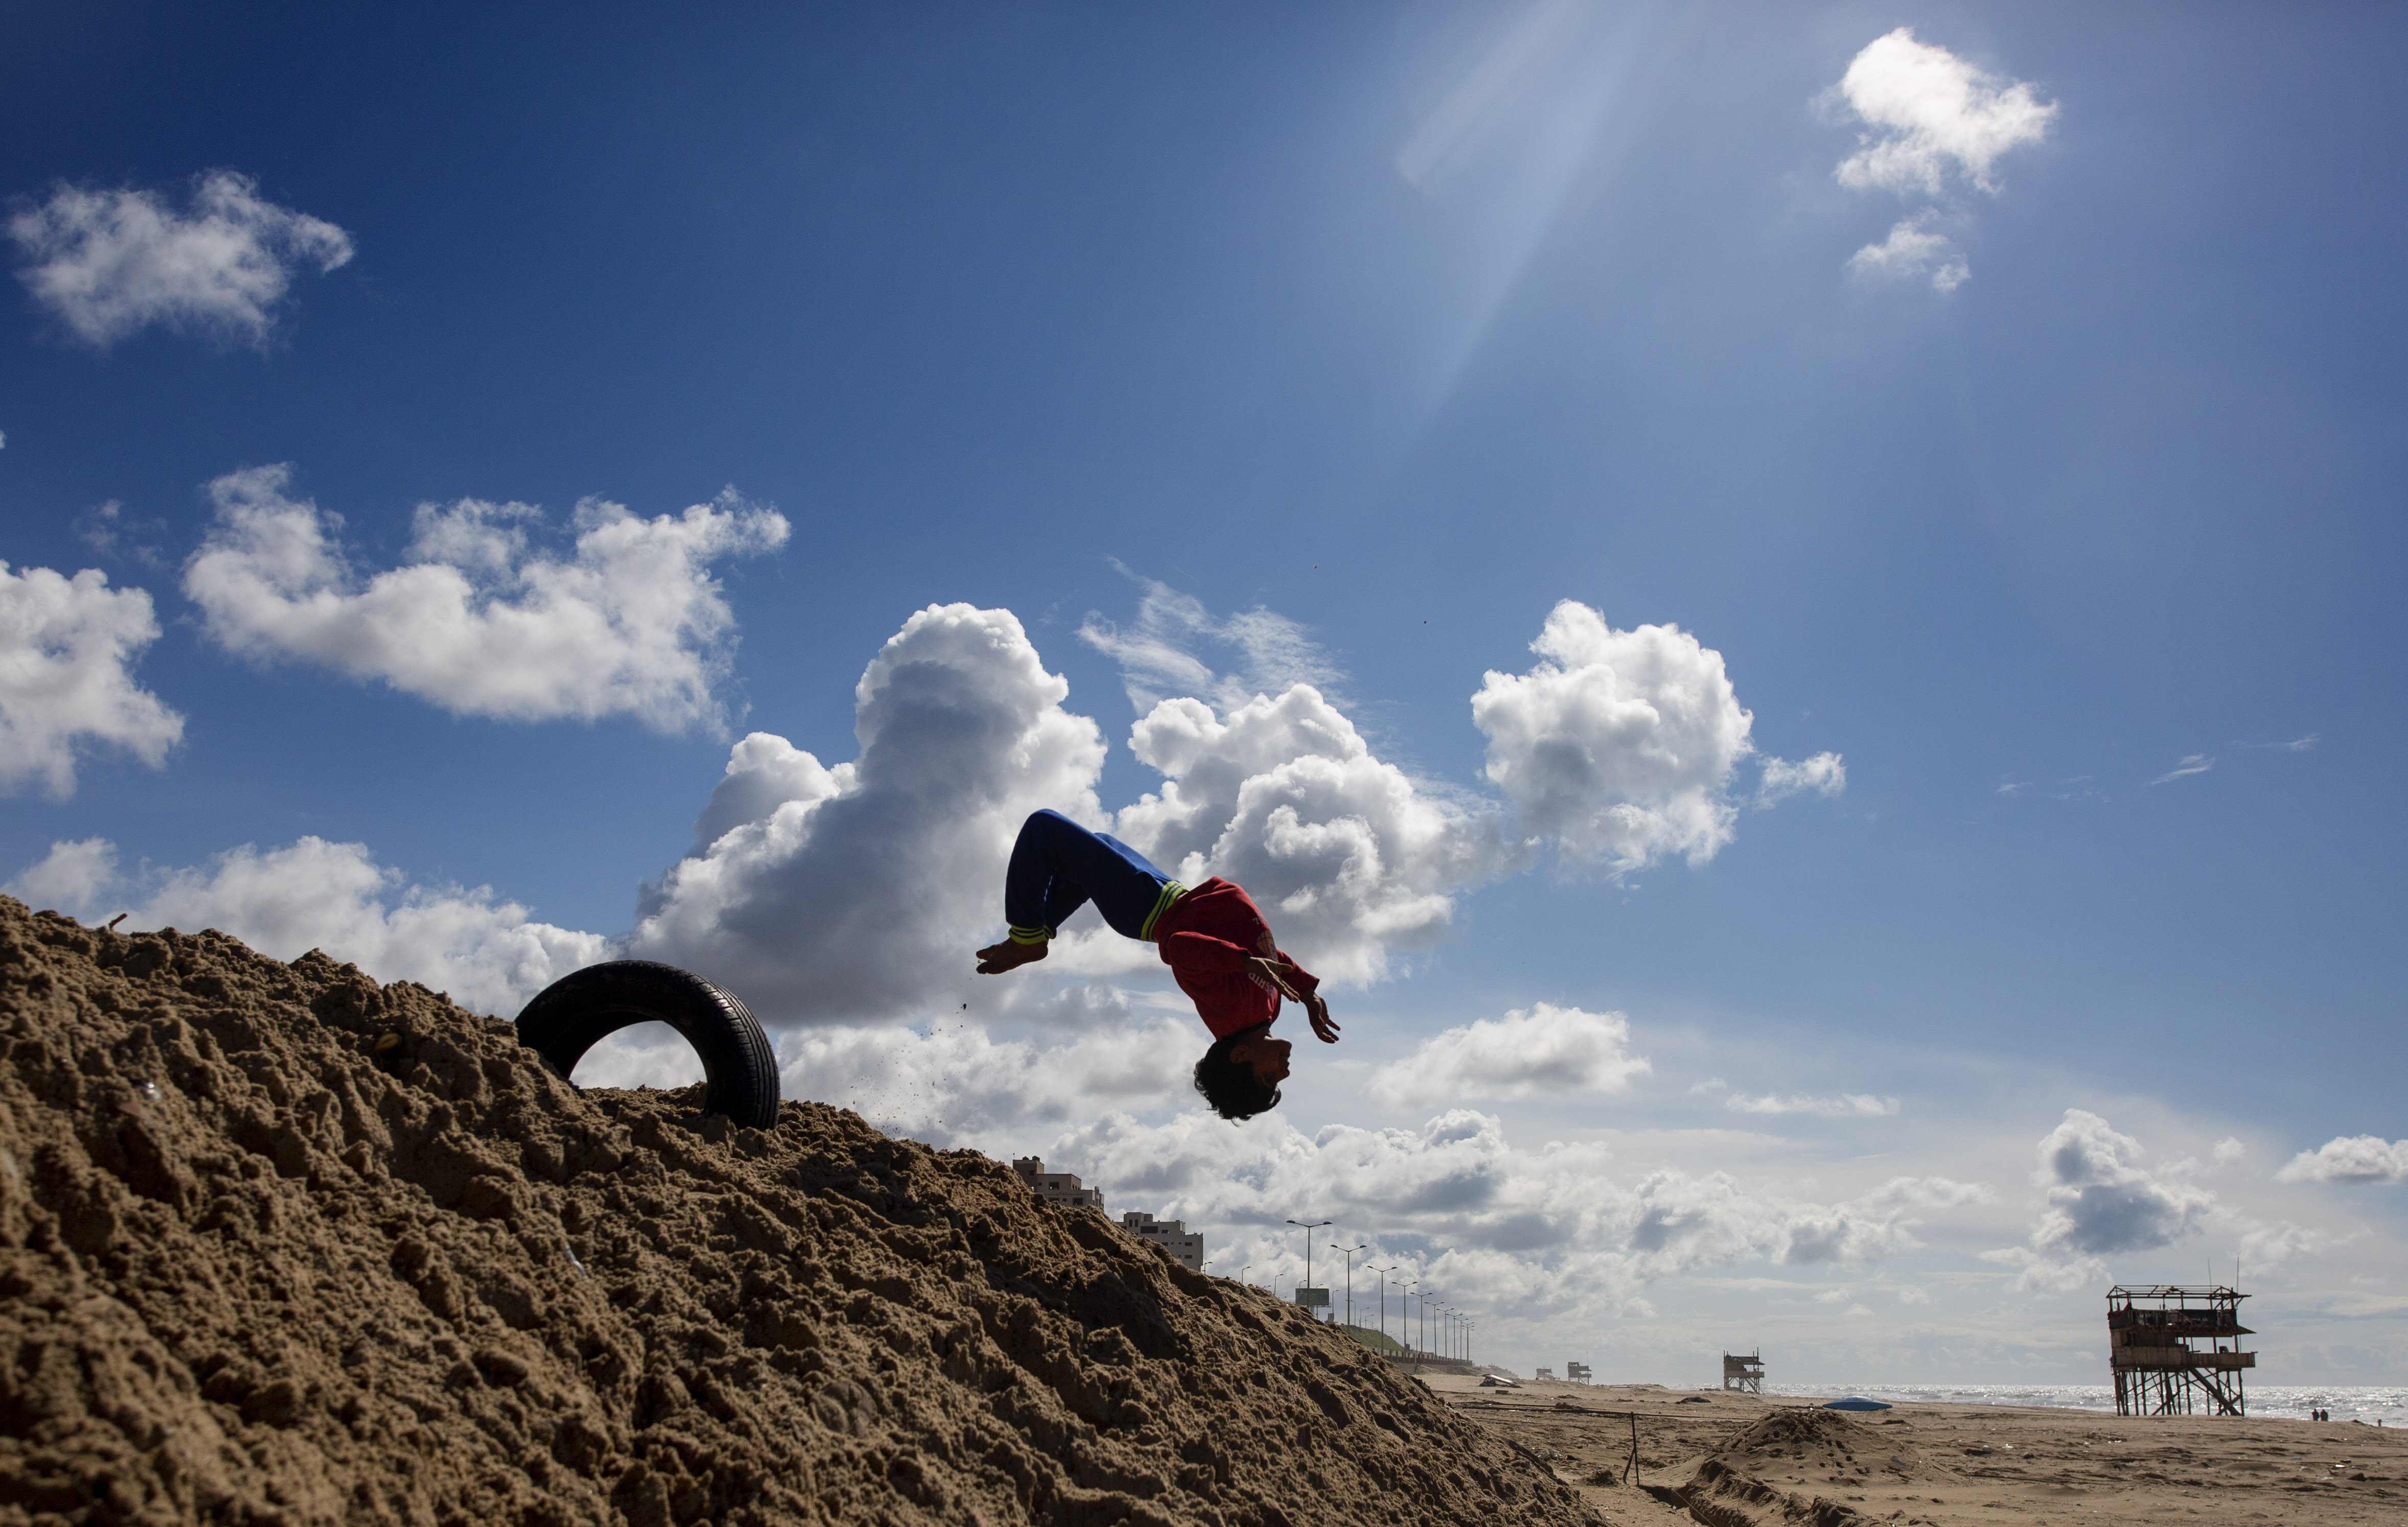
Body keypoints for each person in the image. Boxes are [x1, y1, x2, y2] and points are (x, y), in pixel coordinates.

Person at [975, 809, 1337, 1120]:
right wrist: (1307, 991)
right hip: (1171, 892)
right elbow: (1268, 955)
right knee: (1084, 854)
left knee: (1043, 827)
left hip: (1144, 905)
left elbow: (1180, 948)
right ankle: (1039, 929)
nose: (1284, 1073)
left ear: (1241, 1055)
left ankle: (1027, 938)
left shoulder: (1228, 1011)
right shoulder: (1266, 1012)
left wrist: (1243, 963)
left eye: (1269, 1078)